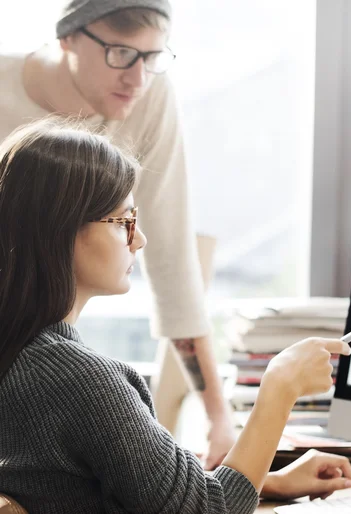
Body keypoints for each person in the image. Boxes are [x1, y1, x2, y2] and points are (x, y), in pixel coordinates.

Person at [0, 118, 351, 513]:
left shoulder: (23, 357)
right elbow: (208, 510)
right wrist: (280, 388)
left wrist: (265, 482)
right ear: (61, 231)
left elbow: (97, 489)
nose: (140, 239)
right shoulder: (79, 381)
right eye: (124, 222)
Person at [0, 0, 236, 468]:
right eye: (121, 54)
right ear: (67, 37)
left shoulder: (150, 95)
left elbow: (171, 258)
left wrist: (218, 418)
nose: (138, 78)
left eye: (153, 58)